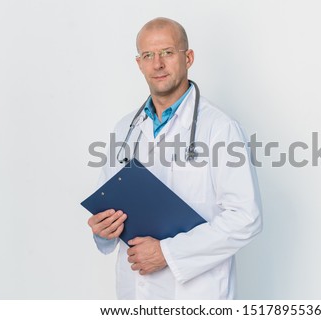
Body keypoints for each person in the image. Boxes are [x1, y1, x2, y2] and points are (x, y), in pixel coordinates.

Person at [87, 17, 262, 299]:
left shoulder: (220, 128)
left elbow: (246, 218)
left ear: (188, 57)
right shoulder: (125, 129)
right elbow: (107, 205)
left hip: (197, 294)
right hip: (135, 291)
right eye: (148, 55)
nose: (157, 64)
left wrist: (167, 253)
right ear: (139, 63)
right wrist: (102, 230)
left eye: (167, 53)